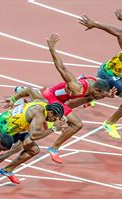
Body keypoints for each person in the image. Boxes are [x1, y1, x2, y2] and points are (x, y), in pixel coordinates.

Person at [39, 33, 115, 163]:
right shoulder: (77, 87)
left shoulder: (96, 84)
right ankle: (54, 148)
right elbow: (61, 68)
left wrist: (107, 94)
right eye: (101, 95)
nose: (101, 98)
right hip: (51, 96)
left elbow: (96, 93)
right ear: (96, 89)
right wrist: (52, 49)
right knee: (77, 124)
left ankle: (49, 118)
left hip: (63, 100)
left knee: (89, 99)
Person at [0, 86, 65, 183]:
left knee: (34, 150)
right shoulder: (39, 114)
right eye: (55, 118)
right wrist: (54, 128)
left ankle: (8, 170)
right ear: (50, 113)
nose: (55, 121)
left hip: (11, 125)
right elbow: (34, 135)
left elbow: (28, 90)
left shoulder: (42, 101)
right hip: (3, 130)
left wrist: (13, 99)